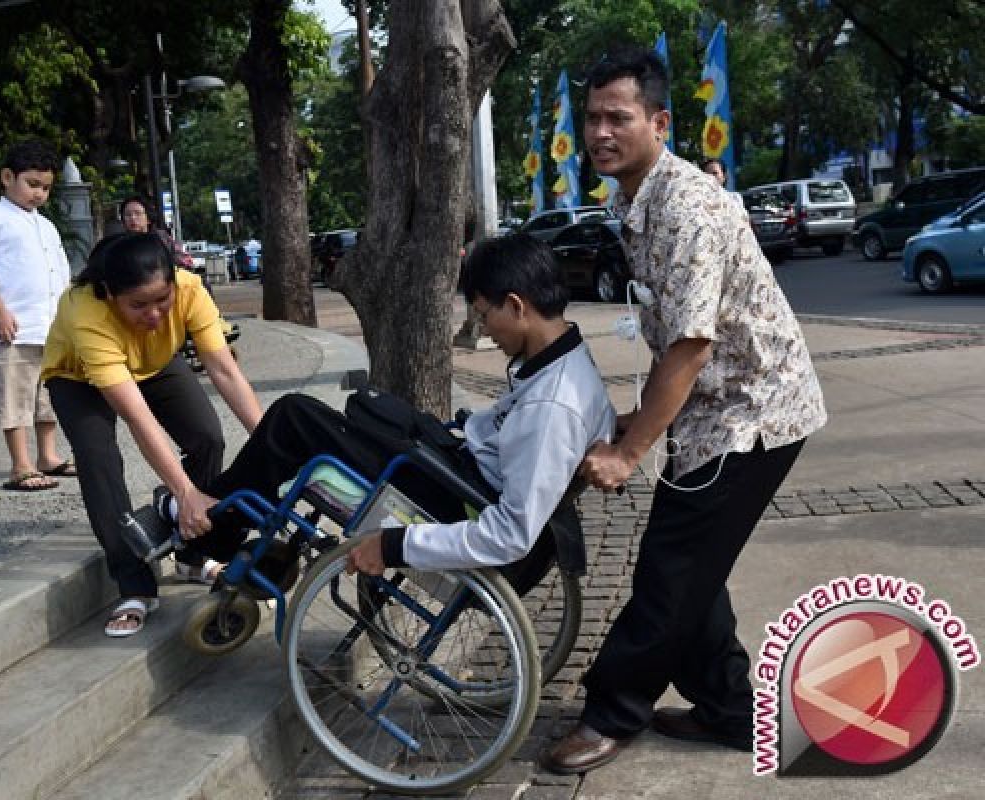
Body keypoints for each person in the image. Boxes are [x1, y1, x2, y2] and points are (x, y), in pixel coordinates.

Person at [539, 49, 826, 775]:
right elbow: (674, 337)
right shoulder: (636, 200)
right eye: (593, 117)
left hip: (751, 412)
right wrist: (635, 422)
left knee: (670, 567)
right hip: (713, 409)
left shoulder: (688, 207)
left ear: (659, 122)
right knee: (694, 567)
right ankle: (734, 711)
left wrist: (628, 451)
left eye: (618, 117)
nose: (601, 132)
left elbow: (691, 348)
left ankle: (613, 710)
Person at [159, 233, 615, 581]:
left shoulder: (553, 404)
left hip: (453, 497)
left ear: (516, 306)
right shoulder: (568, 361)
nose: (483, 328)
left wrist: (396, 546)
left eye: (483, 313)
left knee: (292, 419)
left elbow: (508, 535)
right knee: (344, 414)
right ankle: (211, 521)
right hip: (457, 469)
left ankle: (202, 525)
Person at [41, 232, 263, 637]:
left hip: (157, 362)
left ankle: (194, 552)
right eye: (138, 305)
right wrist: (184, 490)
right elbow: (138, 418)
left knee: (207, 436)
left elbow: (225, 370)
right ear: (109, 294)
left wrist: (271, 440)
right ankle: (135, 586)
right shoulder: (84, 312)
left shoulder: (190, 288)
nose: (155, 314)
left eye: (162, 300)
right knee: (99, 459)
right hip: (77, 378)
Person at [0, 139, 74, 492]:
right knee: (15, 394)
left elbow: (61, 272)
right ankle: (20, 464)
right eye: (32, 184)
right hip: (13, 324)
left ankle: (48, 456)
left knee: (47, 395)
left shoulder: (46, 226)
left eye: (46, 187)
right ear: (7, 177)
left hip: (49, 324)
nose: (39, 193)